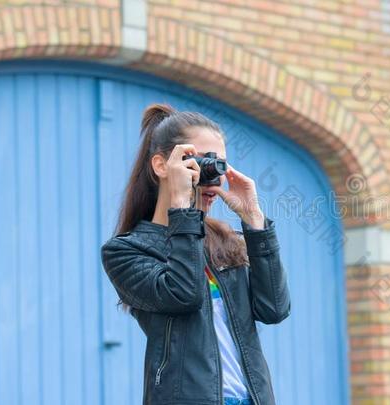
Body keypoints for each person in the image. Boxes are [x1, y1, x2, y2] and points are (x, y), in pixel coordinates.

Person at [100, 103, 291, 405]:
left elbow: (275, 309)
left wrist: (255, 221)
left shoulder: (225, 241)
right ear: (162, 166)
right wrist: (181, 206)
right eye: (201, 160)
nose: (211, 173)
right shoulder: (126, 250)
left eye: (219, 163)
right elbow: (185, 293)